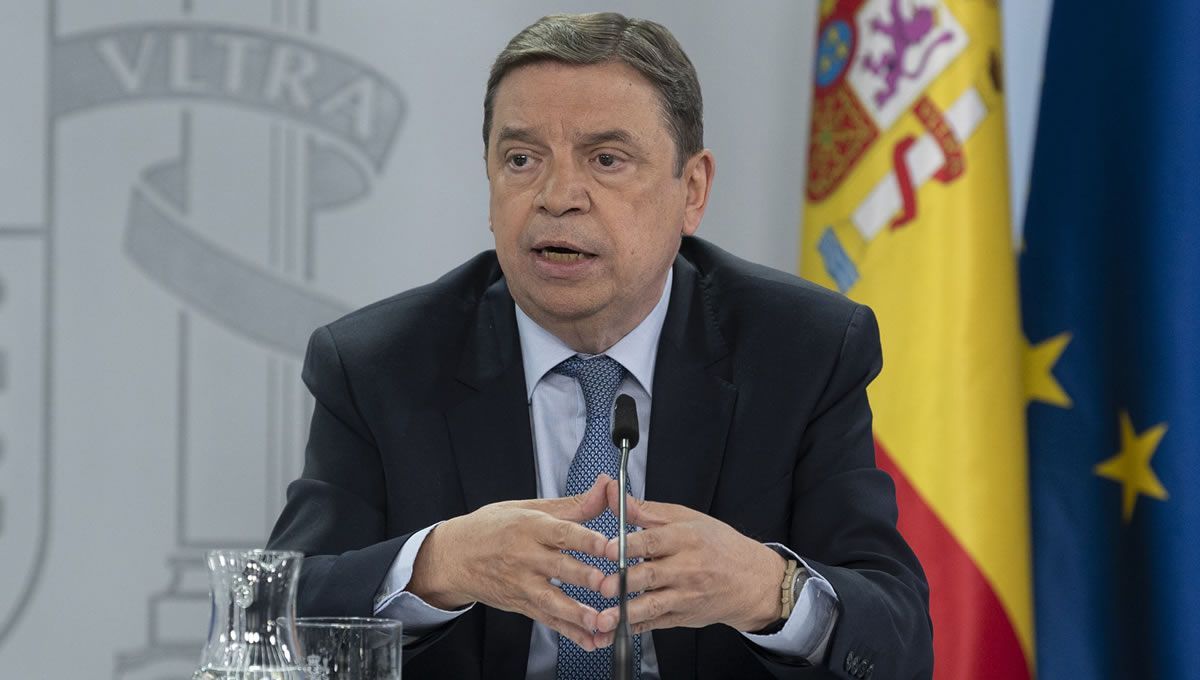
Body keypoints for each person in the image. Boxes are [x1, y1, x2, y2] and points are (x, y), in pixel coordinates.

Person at [267, 12, 932, 680]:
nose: (558, 197)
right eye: (521, 159)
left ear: (692, 190)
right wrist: (439, 565)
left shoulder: (802, 351)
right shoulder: (381, 364)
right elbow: (274, 617)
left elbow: (900, 644)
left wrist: (767, 588)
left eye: (606, 159)